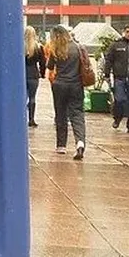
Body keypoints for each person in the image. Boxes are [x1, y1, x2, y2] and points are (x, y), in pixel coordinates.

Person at [46, 25, 86, 160]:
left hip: (59, 85)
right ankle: (80, 142)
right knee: (77, 114)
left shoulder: (55, 49)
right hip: (76, 85)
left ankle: (61, 145)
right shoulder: (79, 47)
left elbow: (50, 67)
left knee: (61, 114)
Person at [24, 26, 45, 128]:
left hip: (22, 74)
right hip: (33, 74)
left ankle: (20, 117)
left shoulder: (20, 46)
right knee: (32, 97)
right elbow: (43, 62)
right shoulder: (38, 47)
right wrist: (42, 73)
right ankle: (31, 119)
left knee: (21, 97)